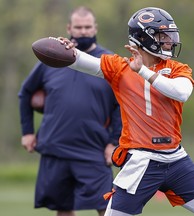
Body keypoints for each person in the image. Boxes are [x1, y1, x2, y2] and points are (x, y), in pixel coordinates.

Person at [58, 7, 194, 216]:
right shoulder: (120, 68)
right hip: (142, 160)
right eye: (161, 35)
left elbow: (181, 92)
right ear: (142, 38)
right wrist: (67, 51)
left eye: (169, 35)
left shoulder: (177, 68)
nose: (169, 41)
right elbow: (81, 61)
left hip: (175, 159)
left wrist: (142, 71)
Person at [18, 6, 122, 216]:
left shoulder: (109, 63)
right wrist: (28, 132)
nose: (83, 31)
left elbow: (121, 106)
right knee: (63, 209)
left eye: (87, 27)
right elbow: (26, 93)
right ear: (69, 28)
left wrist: (114, 142)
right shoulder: (52, 58)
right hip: (56, 146)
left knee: (107, 208)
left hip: (93, 149)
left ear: (95, 28)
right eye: (78, 27)